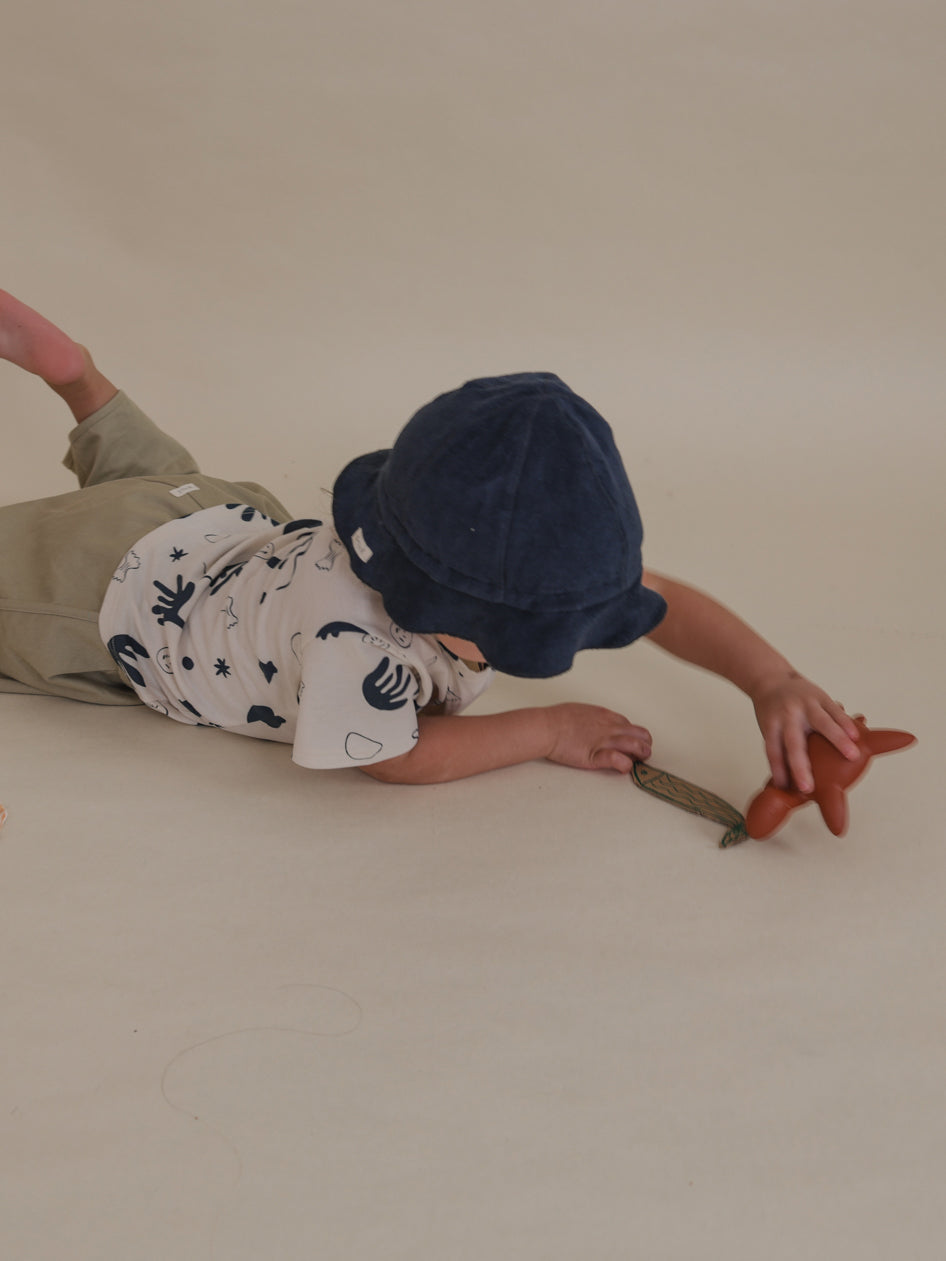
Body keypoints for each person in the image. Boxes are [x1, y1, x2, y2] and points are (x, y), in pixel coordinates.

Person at [0, 288, 862, 788]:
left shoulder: (438, 540)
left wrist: (771, 679)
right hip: (103, 599)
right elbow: (396, 756)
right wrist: (547, 729)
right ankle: (80, 385)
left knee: (152, 482)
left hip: (212, 516)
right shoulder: (353, 643)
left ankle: (80, 378)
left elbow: (662, 602)